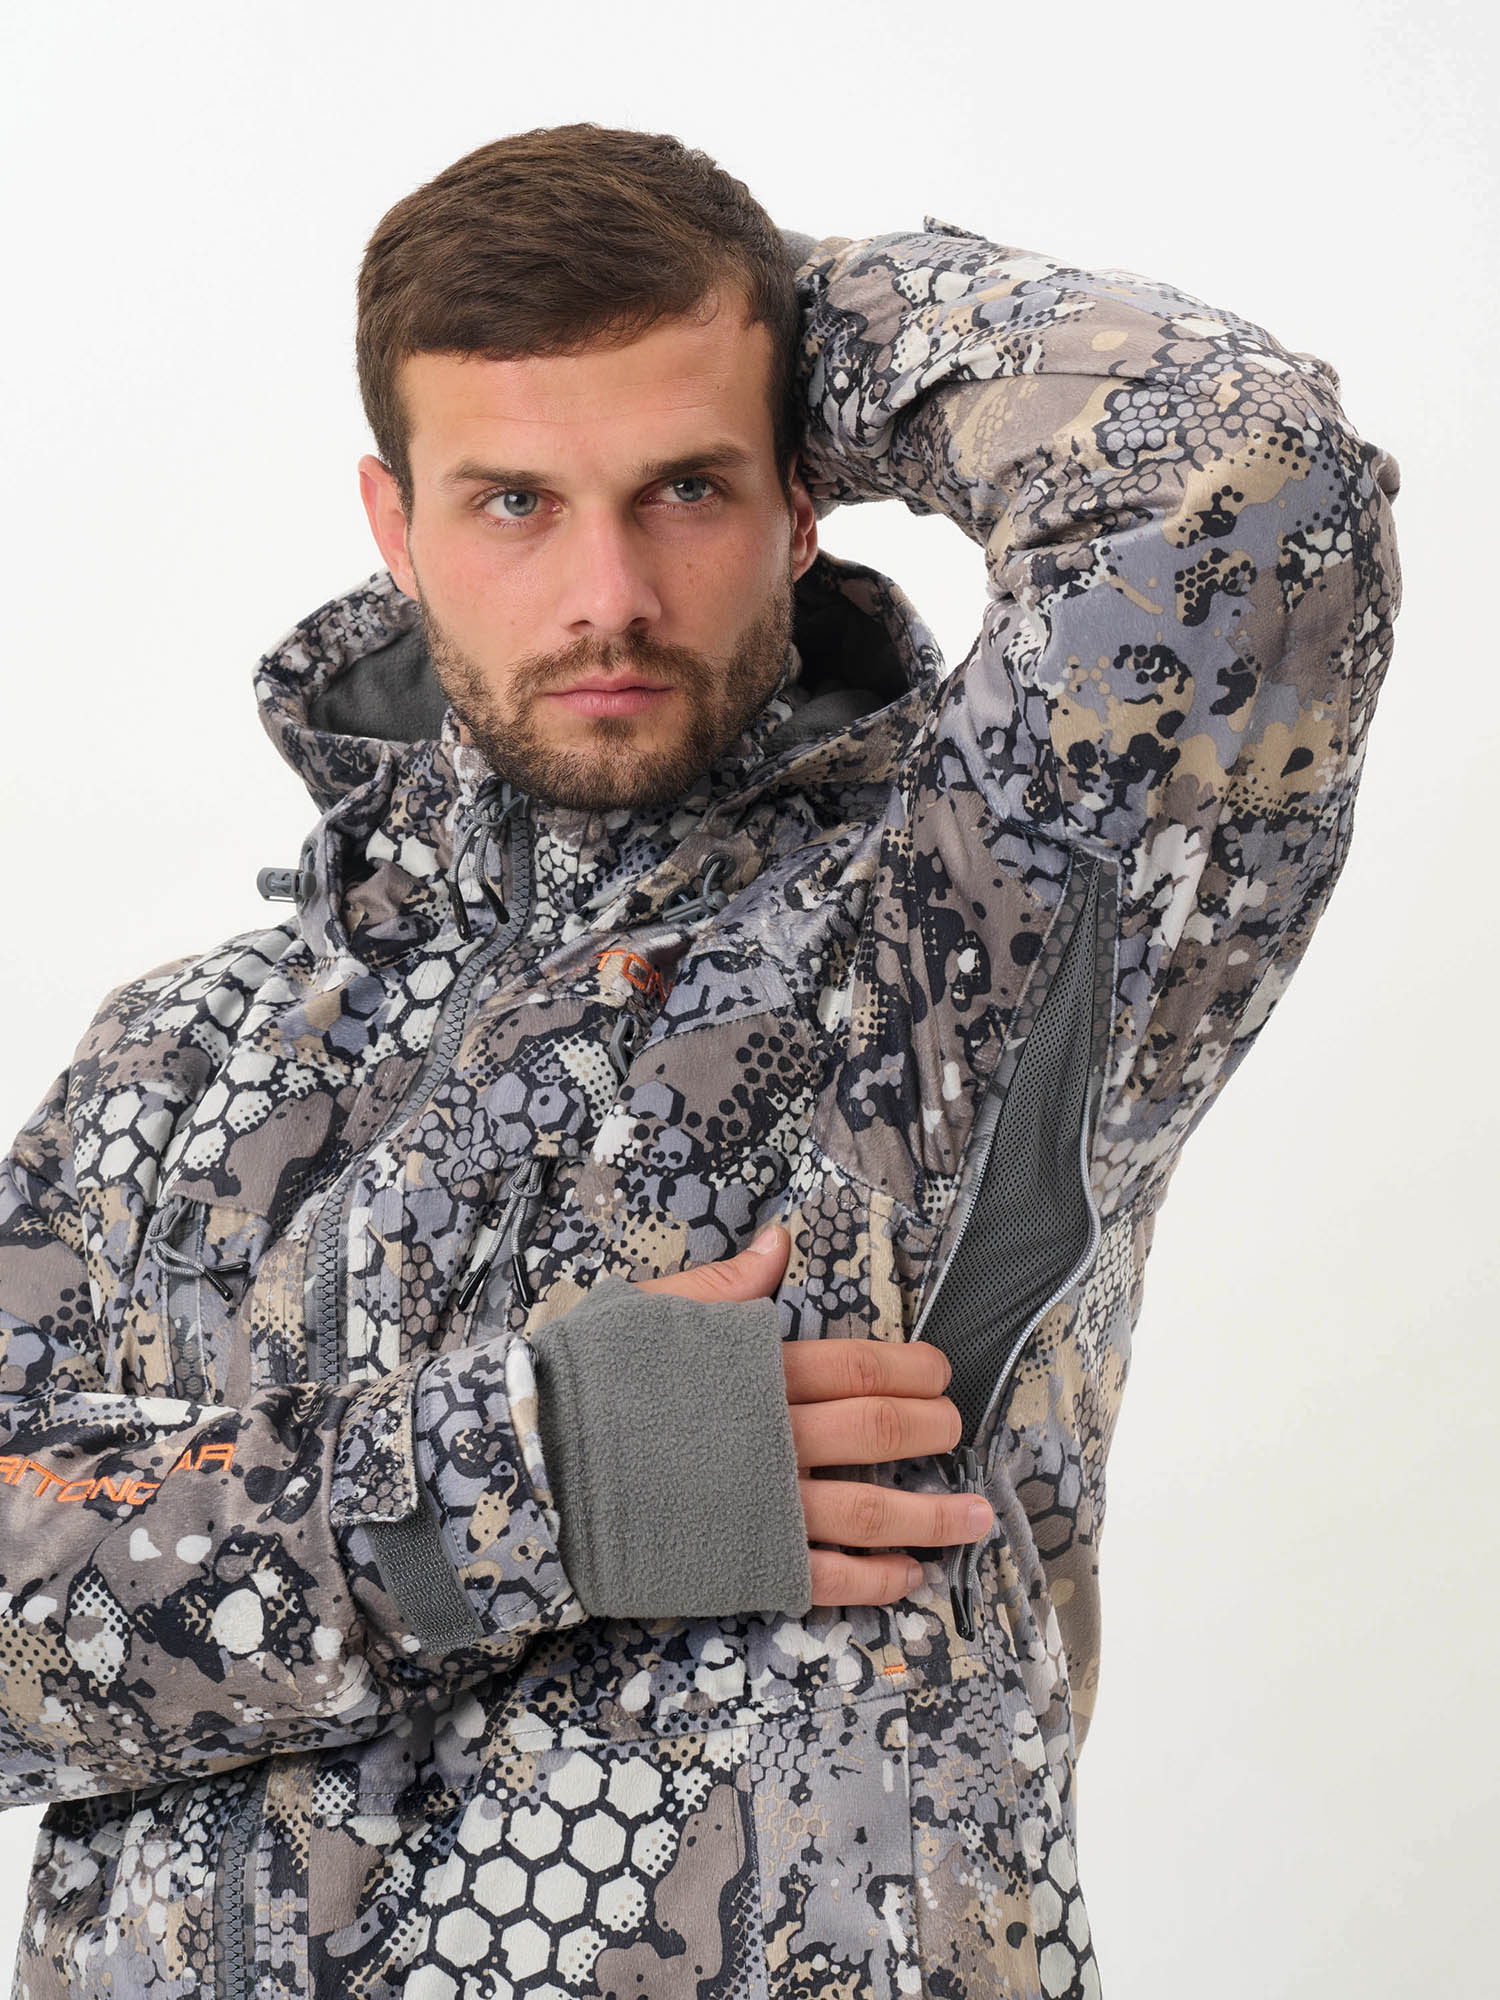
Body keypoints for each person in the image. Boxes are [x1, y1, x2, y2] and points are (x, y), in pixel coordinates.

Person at [0, 121, 1400, 1999]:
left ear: (807, 496)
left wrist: (763, 295)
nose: (609, 594)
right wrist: (525, 1491)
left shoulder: (976, 916)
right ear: (394, 526)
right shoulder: (180, 1060)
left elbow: (1242, 471)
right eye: (514, 499)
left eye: (685, 486)